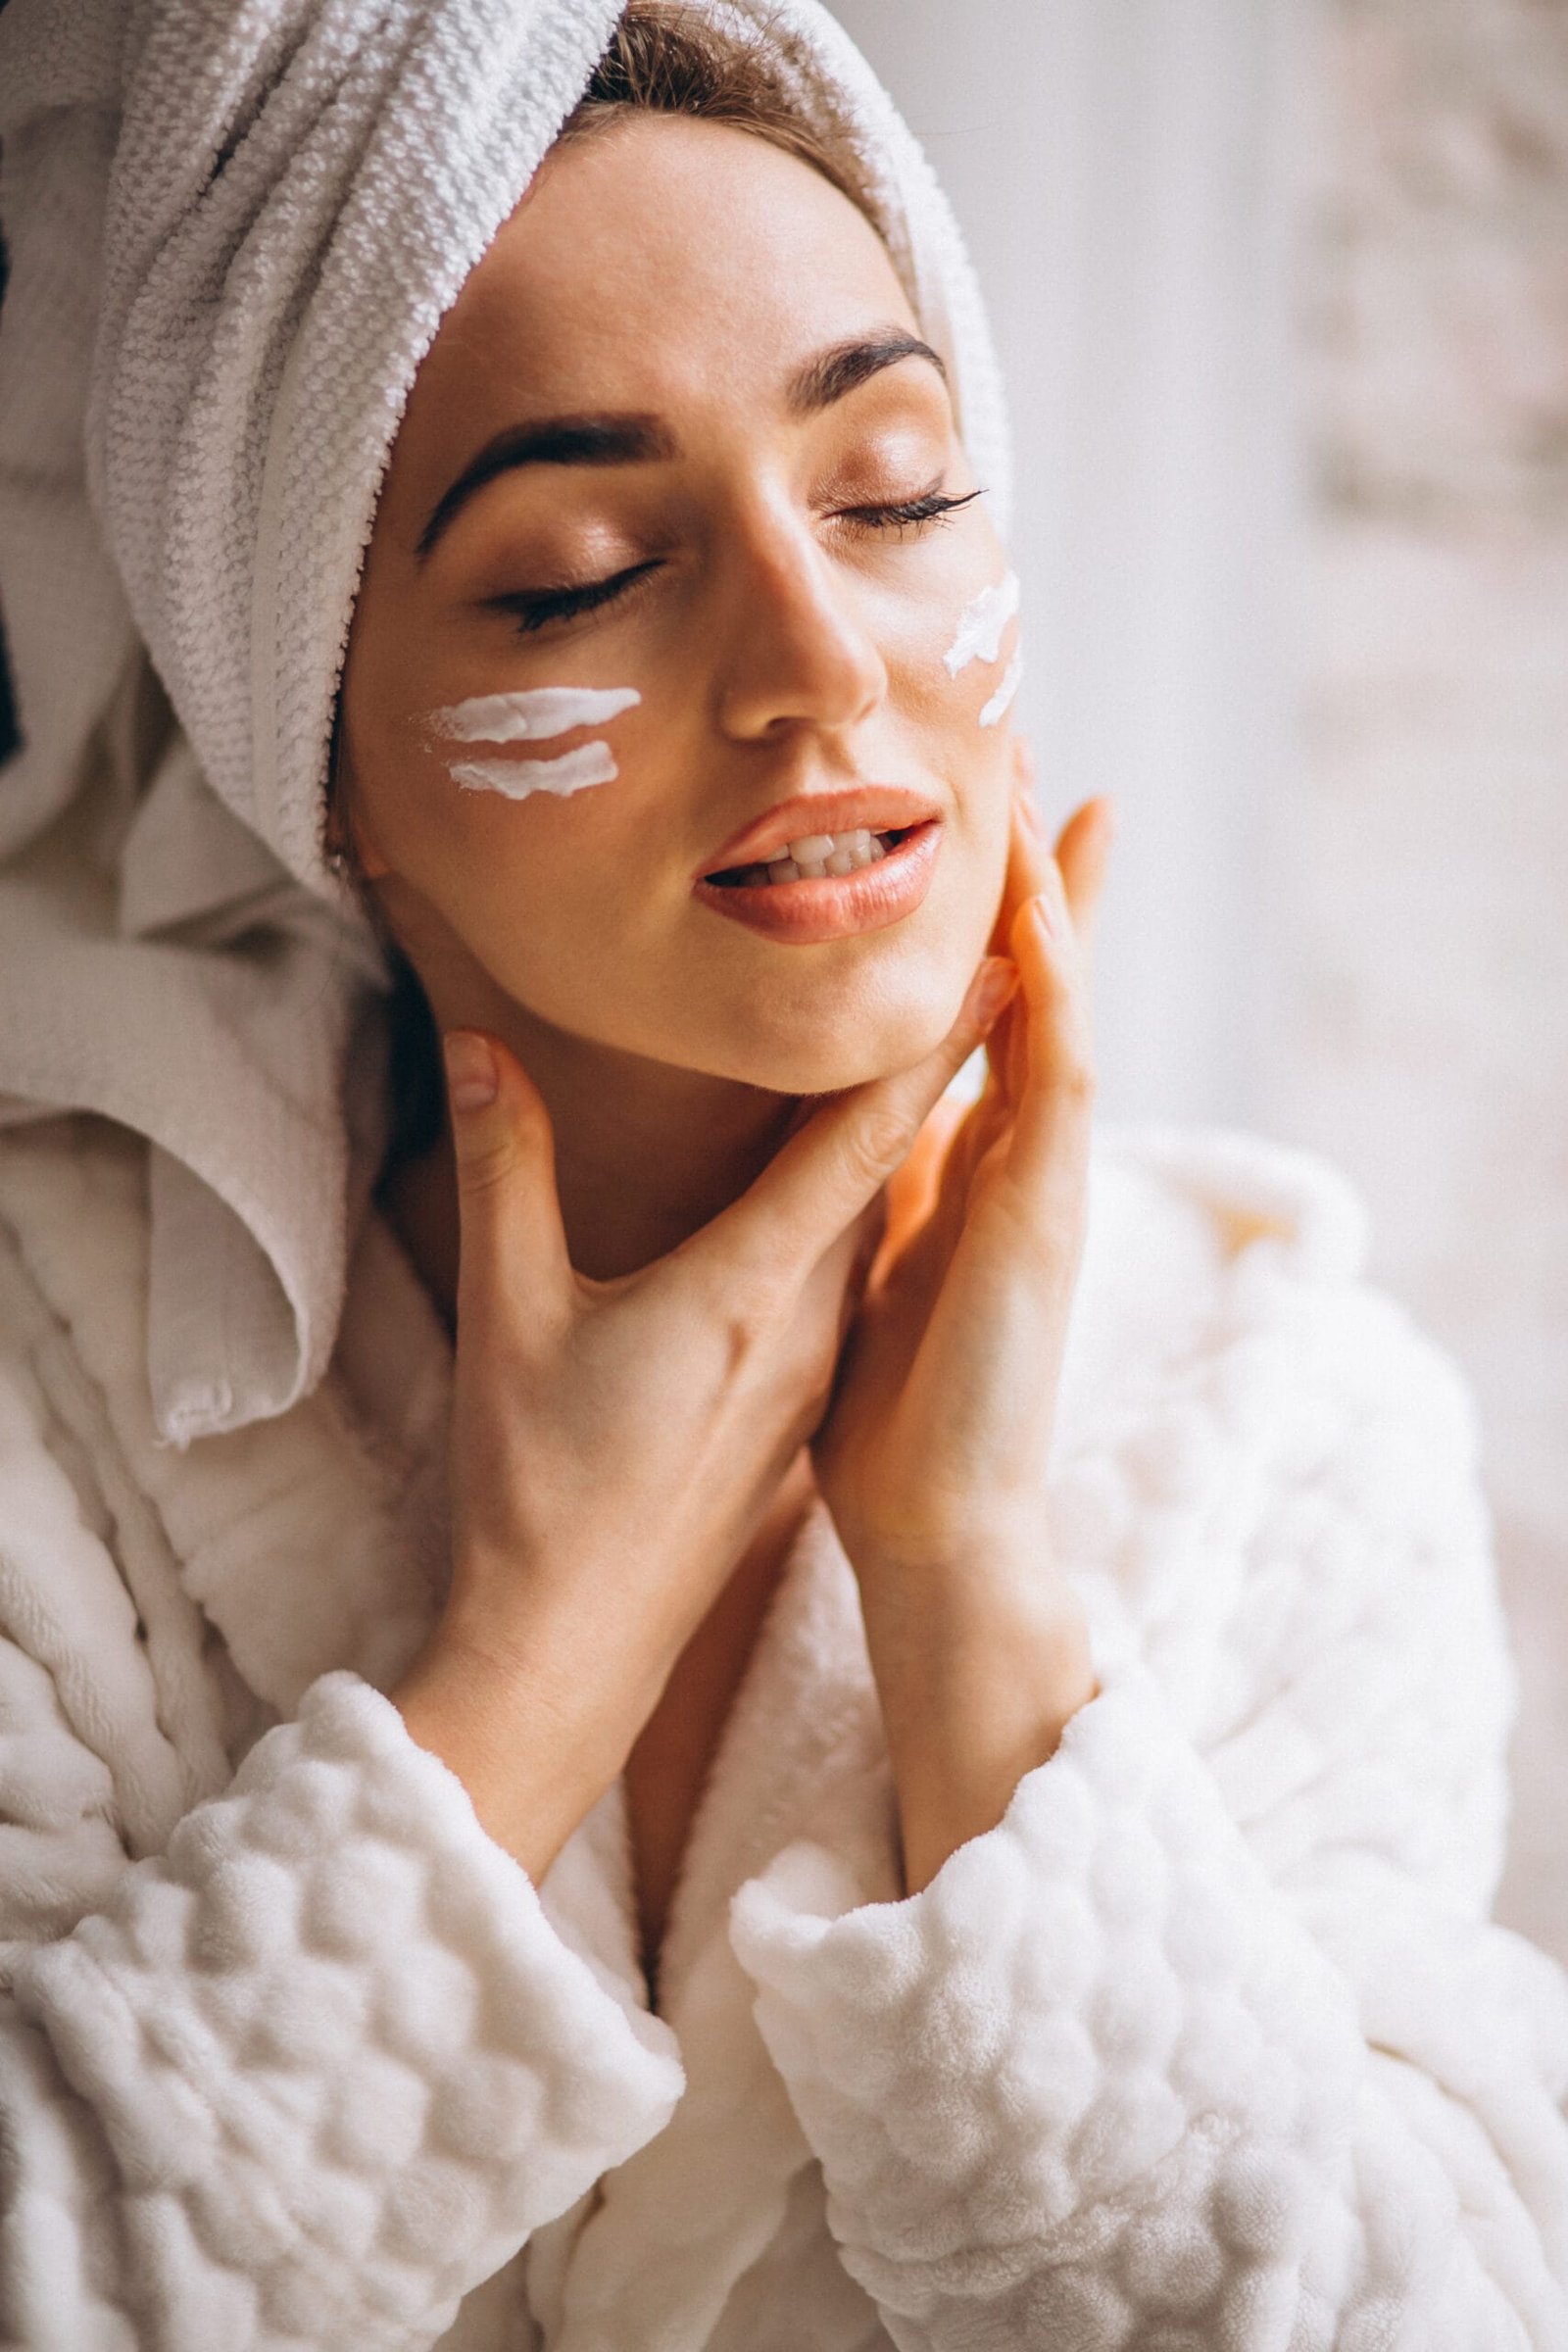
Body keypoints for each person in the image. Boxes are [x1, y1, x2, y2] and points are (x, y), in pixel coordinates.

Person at [0, 4, 1564, 2347]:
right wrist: (525, 1666)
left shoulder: (1288, 1423)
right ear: (314, 762)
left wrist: (970, 1599)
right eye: (575, 575)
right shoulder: (42, 1404)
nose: (819, 662)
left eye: (896, 487)